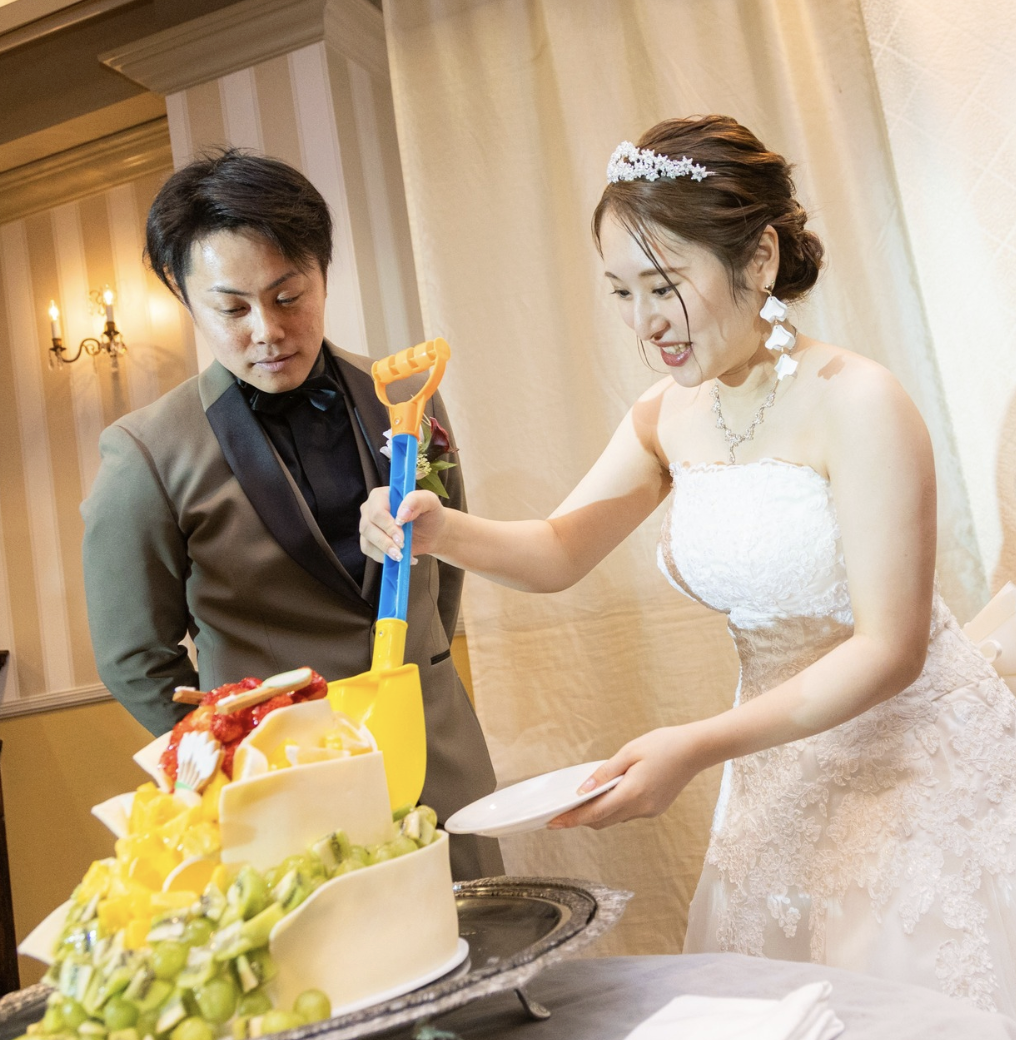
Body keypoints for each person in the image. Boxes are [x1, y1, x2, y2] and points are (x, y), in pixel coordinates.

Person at [361, 117, 1016, 1010]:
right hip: (775, 771)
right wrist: (440, 530)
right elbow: (558, 550)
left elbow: (890, 649)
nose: (645, 322)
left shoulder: (858, 402)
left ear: (760, 258)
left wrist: (697, 745)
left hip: (910, 763)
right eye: (621, 292)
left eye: (664, 285)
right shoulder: (666, 416)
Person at [82, 149, 502, 881]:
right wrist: (230, 753)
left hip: (440, 766)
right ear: (186, 300)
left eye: (287, 296)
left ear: (322, 275)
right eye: (232, 309)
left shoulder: (409, 397)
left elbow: (443, 568)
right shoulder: (144, 454)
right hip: (281, 798)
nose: (268, 330)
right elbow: (132, 657)